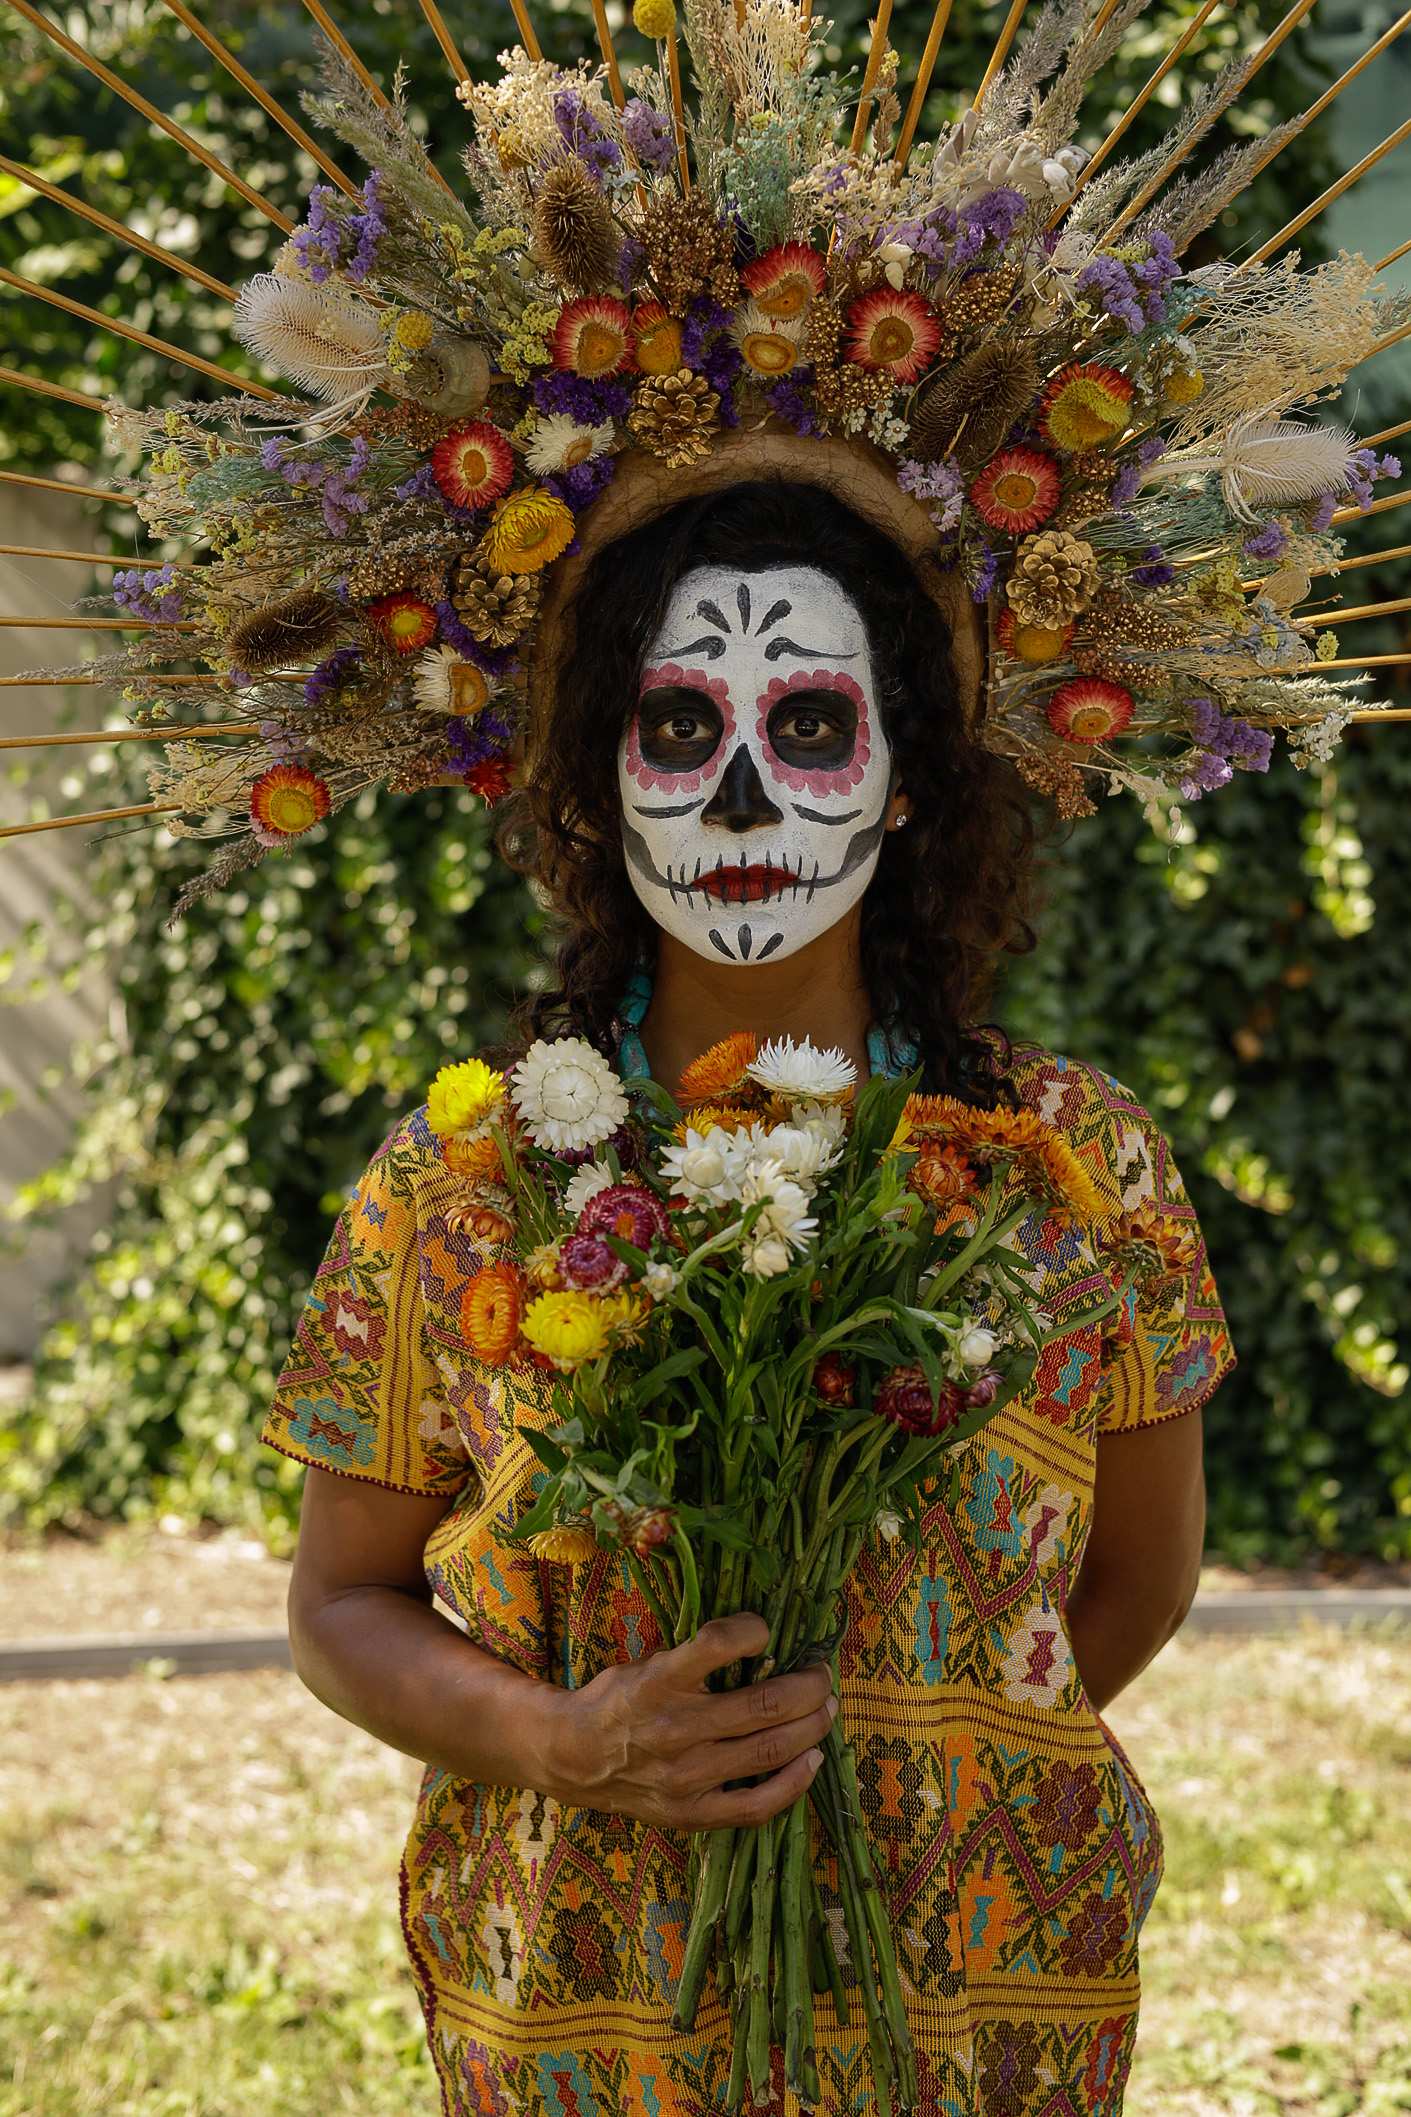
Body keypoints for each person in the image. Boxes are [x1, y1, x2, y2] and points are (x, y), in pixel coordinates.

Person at [264, 476, 1231, 2117]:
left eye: (805, 724)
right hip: (588, 2007)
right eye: (673, 727)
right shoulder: (463, 1181)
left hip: (979, 2006)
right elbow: (340, 1605)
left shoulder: (1080, 1169)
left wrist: (934, 1757)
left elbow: (1140, 1575)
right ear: (596, 775)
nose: (734, 803)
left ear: (912, 779)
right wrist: (560, 1740)